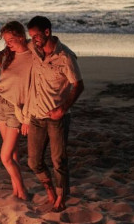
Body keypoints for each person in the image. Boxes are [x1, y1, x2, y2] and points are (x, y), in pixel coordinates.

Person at [7, 16, 84, 212]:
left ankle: (61, 197)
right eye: (31, 36)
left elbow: (78, 85)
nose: (33, 40)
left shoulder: (66, 57)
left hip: (57, 118)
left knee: (58, 160)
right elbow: (15, 46)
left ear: (47, 32)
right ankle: (49, 188)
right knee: (34, 161)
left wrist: (63, 109)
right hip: (36, 116)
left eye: (36, 36)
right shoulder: (34, 49)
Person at [0, 21, 34, 201]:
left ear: (22, 37)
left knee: (5, 156)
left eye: (11, 40)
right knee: (13, 153)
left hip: (16, 109)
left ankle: (22, 190)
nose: (8, 44)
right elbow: (2, 82)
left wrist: (27, 119)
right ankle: (16, 190)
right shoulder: (8, 55)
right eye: (6, 41)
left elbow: (33, 91)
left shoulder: (33, 57)